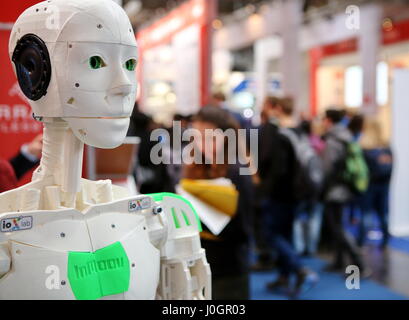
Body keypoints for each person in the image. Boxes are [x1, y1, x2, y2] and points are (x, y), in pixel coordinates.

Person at [182, 106, 254, 300]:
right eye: (197, 137)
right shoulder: (195, 170)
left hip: (228, 268)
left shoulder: (237, 172)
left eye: (210, 137)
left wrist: (212, 225)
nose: (202, 144)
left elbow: (245, 229)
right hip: (198, 262)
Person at [258, 97, 318, 297]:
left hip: (280, 193)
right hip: (298, 193)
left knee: (272, 233)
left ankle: (301, 269)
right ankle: (285, 275)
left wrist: (264, 188)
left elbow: (278, 169)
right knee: (285, 234)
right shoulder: (299, 131)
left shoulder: (280, 134)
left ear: (276, 108)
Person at [321, 109, 367, 274]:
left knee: (339, 228)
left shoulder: (333, 140)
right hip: (345, 187)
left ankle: (359, 263)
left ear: (329, 120)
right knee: (338, 226)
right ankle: (339, 261)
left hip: (335, 189)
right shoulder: (347, 136)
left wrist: (321, 186)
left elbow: (327, 168)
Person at [358, 119, 393, 248]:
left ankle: (361, 241)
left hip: (369, 186)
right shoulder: (386, 147)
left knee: (366, 214)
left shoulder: (364, 148)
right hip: (383, 186)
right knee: (383, 214)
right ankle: (385, 241)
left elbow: (361, 170)